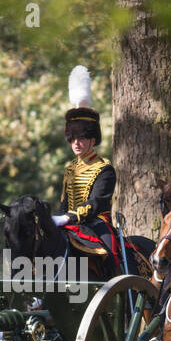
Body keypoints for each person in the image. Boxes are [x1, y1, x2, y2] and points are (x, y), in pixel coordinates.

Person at [52, 65, 122, 273]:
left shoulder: (105, 168)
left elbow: (98, 202)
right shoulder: (70, 168)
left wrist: (69, 217)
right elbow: (65, 203)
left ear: (93, 139)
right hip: (70, 224)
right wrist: (60, 218)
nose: (76, 143)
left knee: (110, 255)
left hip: (97, 224)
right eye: (72, 138)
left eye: (81, 138)